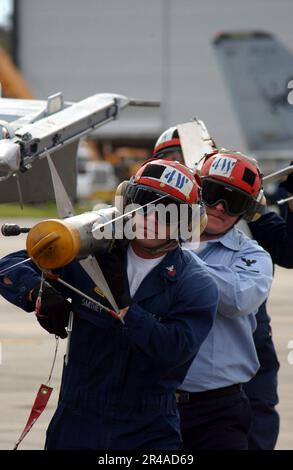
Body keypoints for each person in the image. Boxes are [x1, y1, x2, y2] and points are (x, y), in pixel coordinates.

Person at [0, 159, 218, 450]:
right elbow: (10, 267)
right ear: (127, 201)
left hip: (147, 429)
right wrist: (38, 294)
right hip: (76, 421)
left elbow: (173, 350)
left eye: (168, 212)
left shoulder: (195, 283)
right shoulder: (91, 252)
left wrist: (125, 306)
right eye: (143, 203)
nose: (151, 219)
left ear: (187, 222)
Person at [153, 127, 292, 449]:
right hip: (151, 401)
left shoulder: (252, 255)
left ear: (246, 209)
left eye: (232, 202)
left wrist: (172, 251)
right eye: (212, 192)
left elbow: (238, 298)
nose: (217, 206)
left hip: (219, 405)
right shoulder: (149, 237)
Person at [243, 169, 293, 450]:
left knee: (255, 426)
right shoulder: (164, 216)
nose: (221, 208)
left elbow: (288, 251)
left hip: (251, 339)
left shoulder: (248, 209)